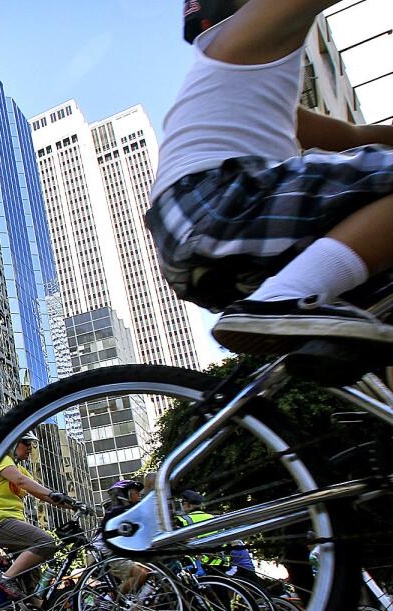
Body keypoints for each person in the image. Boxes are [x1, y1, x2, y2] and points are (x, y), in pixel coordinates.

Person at [146, 1, 393, 355]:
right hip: (219, 200)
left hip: (195, 235)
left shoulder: (245, 86)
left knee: (380, 309)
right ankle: (279, 300)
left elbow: (353, 138)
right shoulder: (241, 37)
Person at [0, 432, 72, 600]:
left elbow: (43, 494)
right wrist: (54, 494)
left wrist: (74, 504)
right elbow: (20, 481)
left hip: (12, 525)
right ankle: (4, 580)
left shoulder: (20, 469)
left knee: (34, 589)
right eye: (26, 442)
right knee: (45, 542)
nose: (30, 447)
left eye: (31, 444)